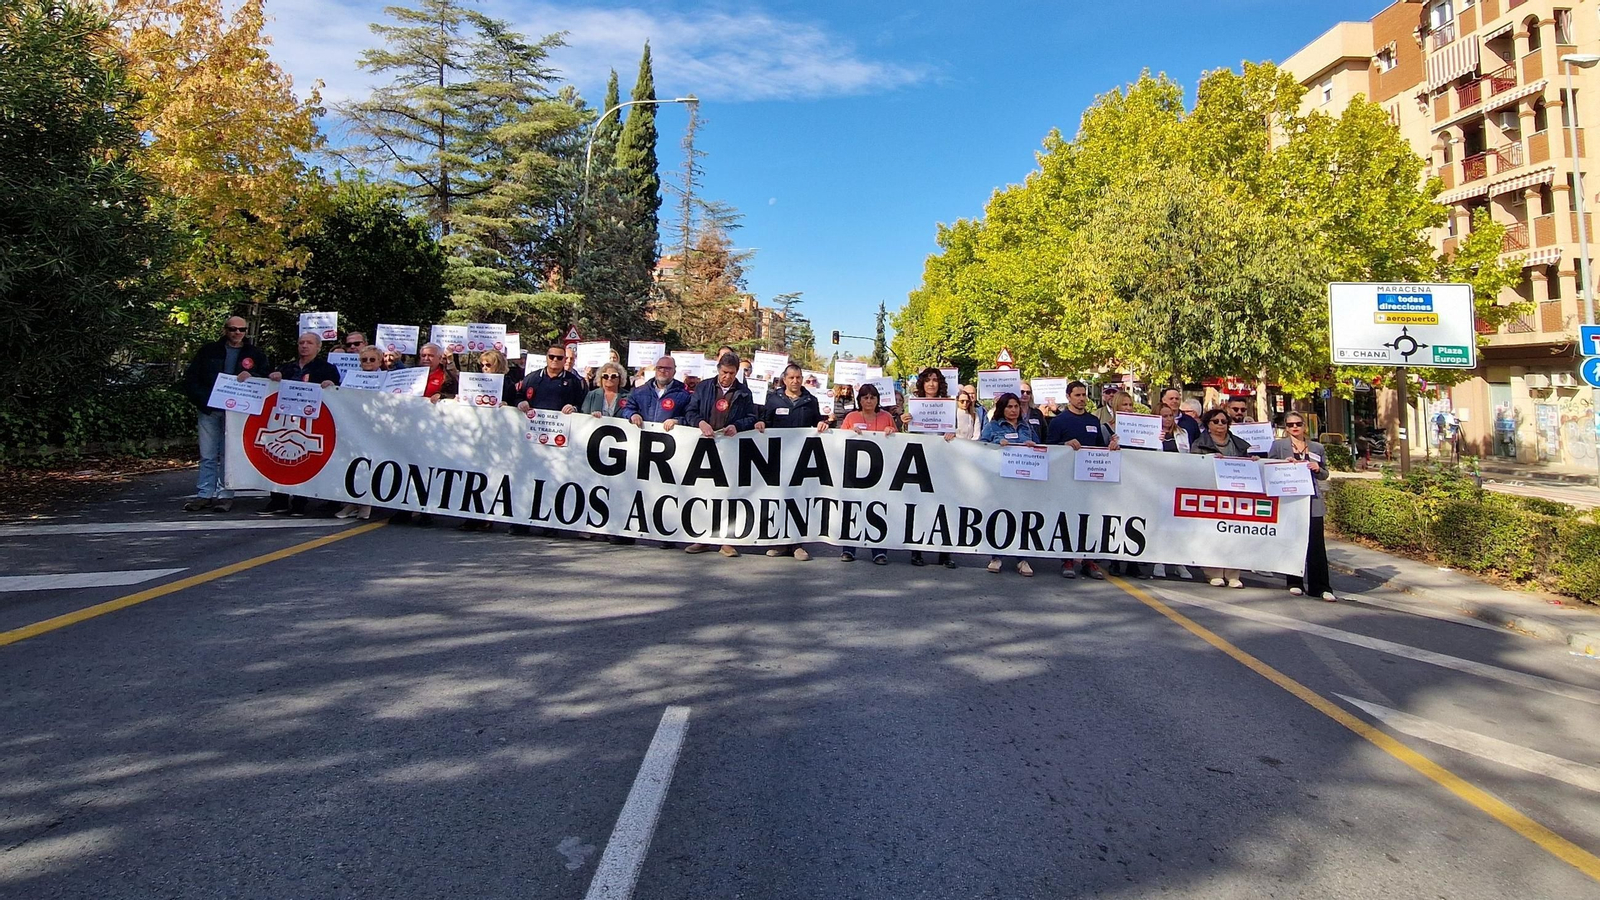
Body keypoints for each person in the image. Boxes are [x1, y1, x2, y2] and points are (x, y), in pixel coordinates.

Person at [179, 315, 270, 512]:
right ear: (225, 330)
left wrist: (252, 376)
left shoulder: (255, 354)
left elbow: (266, 378)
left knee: (228, 454)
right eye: (233, 329)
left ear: (247, 332)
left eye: (242, 330)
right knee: (208, 454)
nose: (237, 333)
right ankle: (204, 493)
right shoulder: (208, 351)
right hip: (210, 409)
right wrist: (204, 401)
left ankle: (224, 495)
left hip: (237, 414)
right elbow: (192, 378)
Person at [256, 332, 342, 516]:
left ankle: (299, 503)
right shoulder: (287, 367)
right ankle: (277, 500)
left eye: (309, 343)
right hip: (282, 420)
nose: (304, 346)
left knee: (302, 460)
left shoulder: (326, 369)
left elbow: (337, 392)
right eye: (301, 342)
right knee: (278, 457)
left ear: (318, 347)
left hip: (310, 422)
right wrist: (274, 377)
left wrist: (331, 384)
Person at [682, 352, 757, 557]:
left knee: (728, 493)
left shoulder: (744, 392)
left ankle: (726, 540)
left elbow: (751, 417)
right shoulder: (704, 387)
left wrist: (737, 425)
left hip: (730, 447)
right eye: (724, 372)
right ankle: (703, 538)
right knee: (705, 492)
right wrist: (700, 422)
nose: (727, 377)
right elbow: (690, 411)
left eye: (732, 373)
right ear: (718, 369)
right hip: (705, 445)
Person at [1046, 380, 1118, 579]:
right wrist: (1065, 444)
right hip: (1067, 480)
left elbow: (1100, 448)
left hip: (1090, 480)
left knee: (1091, 518)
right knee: (1069, 518)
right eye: (1077, 395)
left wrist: (1111, 446)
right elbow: (1050, 448)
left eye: (1084, 395)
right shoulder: (1059, 421)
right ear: (1068, 397)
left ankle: (1089, 560)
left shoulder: (1093, 421)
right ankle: (1067, 559)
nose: (1082, 399)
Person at [757, 364, 829, 561]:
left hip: (802, 459)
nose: (795, 381)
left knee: (798, 499)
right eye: (791, 378)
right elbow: (765, 422)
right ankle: (780, 542)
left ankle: (797, 544)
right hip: (777, 457)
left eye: (798, 377)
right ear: (784, 380)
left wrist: (823, 424)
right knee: (778, 498)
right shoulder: (772, 399)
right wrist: (761, 424)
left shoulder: (810, 401)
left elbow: (818, 423)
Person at [1271, 413, 1335, 602]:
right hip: (1290, 501)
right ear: (1286, 428)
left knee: (1316, 545)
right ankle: (1294, 581)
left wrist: (1318, 468)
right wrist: (1283, 464)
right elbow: (1269, 467)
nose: (1294, 427)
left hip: (1312, 500)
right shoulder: (1278, 446)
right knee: (1293, 541)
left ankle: (1320, 586)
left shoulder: (1317, 447)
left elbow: (1325, 474)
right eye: (1290, 425)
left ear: (1305, 426)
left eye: (1298, 424)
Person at [899, 367, 957, 568]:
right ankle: (917, 550)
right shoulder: (914, 405)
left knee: (944, 507)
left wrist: (952, 434)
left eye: (935, 380)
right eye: (928, 380)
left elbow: (956, 431)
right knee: (920, 506)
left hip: (943, 462)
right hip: (919, 462)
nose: (931, 384)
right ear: (922, 383)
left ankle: (945, 553)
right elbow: (907, 436)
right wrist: (904, 423)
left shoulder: (949, 405)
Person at [979, 392, 1041, 576]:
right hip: (1000, 480)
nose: (1013, 410)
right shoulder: (992, 427)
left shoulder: (1026, 427)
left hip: (1023, 481)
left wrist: (1032, 445)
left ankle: (1022, 559)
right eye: (1009, 407)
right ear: (1002, 408)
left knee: (1022, 518)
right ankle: (996, 557)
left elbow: (1041, 447)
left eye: (1016, 406)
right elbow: (980, 448)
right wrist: (997, 444)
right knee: (999, 516)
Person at [1191, 407, 1253, 588]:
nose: (1220, 425)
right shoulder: (1199, 444)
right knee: (1212, 534)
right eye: (1215, 421)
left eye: (1223, 422)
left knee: (1234, 533)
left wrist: (1253, 462)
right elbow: (1193, 466)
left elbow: (1246, 463)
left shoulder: (1239, 444)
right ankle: (1213, 572)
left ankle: (1233, 573)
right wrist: (1208, 460)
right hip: (1211, 494)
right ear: (1207, 425)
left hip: (1235, 495)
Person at [838, 383, 897, 564]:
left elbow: (899, 441)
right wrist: (849, 433)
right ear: (860, 400)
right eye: (865, 397)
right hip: (854, 472)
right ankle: (848, 549)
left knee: (878, 510)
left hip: (880, 473)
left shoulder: (886, 417)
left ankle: (879, 551)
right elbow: (838, 441)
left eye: (872, 397)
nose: (869, 401)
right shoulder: (851, 417)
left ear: (878, 400)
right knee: (852, 509)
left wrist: (892, 431)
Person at [333, 347, 386, 520]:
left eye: (372, 360)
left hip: (377, 428)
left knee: (370, 464)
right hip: (353, 426)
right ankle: (351, 502)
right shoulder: (351, 378)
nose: (368, 363)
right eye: (364, 360)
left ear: (380, 361)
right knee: (352, 464)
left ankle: (366, 503)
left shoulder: (388, 379)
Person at [515, 344, 589, 414]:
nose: (555, 360)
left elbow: (583, 404)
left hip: (562, 425)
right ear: (546, 358)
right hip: (533, 424)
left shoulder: (574, 381)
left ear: (564, 360)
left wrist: (574, 408)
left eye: (559, 358)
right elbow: (517, 396)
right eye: (551, 357)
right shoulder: (531, 378)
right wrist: (520, 402)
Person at [621, 356, 692, 428]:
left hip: (667, 437)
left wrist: (677, 421)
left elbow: (690, 416)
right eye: (659, 368)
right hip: (643, 436)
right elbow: (627, 409)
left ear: (674, 371)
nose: (662, 371)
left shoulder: (684, 395)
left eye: (667, 368)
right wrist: (633, 414)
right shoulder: (639, 391)